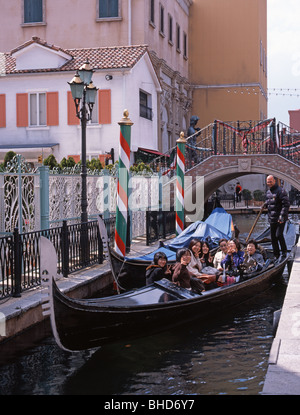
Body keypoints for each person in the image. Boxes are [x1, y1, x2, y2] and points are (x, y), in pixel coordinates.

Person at [265, 175, 290, 259]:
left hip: (280, 218)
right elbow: (269, 201)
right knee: (273, 237)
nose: (269, 183)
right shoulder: (268, 192)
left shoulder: (281, 191)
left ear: (274, 181)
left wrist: (282, 216)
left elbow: (286, 205)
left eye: (270, 181)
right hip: (272, 218)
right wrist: (265, 204)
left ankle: (284, 251)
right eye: (268, 182)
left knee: (279, 235)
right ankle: (276, 254)